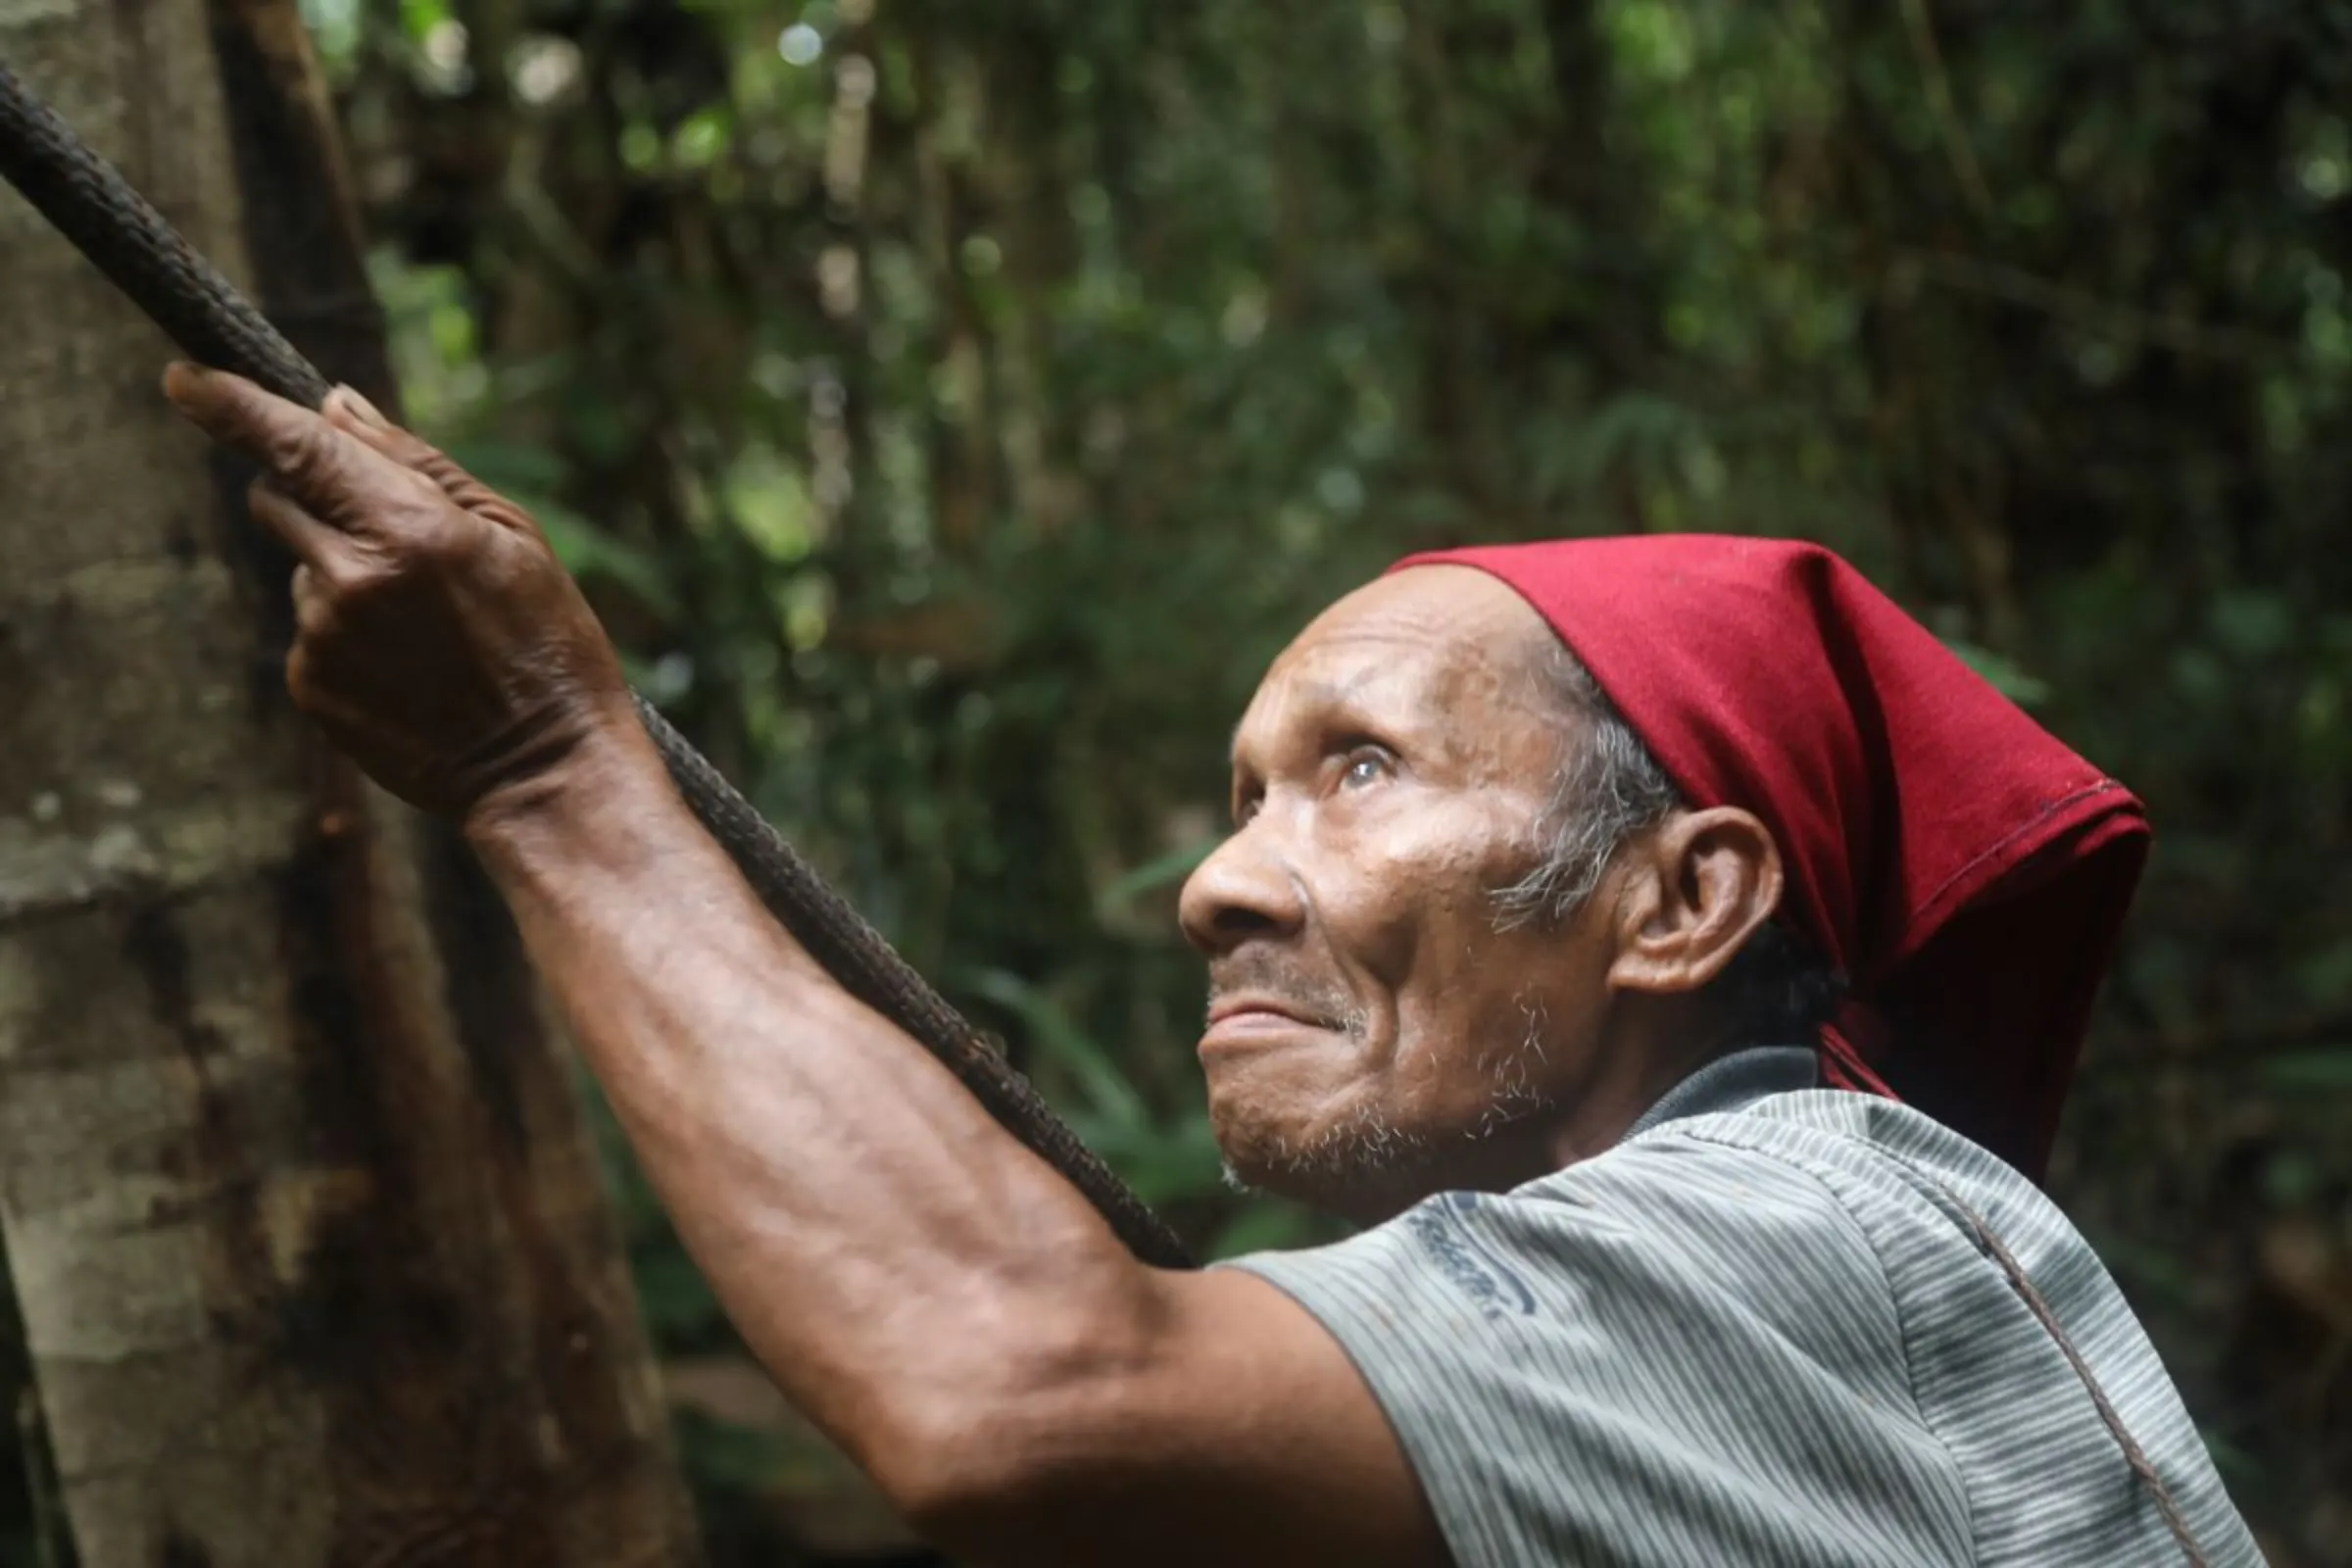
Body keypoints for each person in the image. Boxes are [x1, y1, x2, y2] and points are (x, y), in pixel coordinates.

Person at [162, 362, 2265, 1568]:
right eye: (1243, 793)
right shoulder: (1537, 1405)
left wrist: (546, 764)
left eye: (1356, 770)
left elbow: (1014, 1380)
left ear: (1682, 903)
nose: (1212, 882)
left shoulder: (1821, 1213)